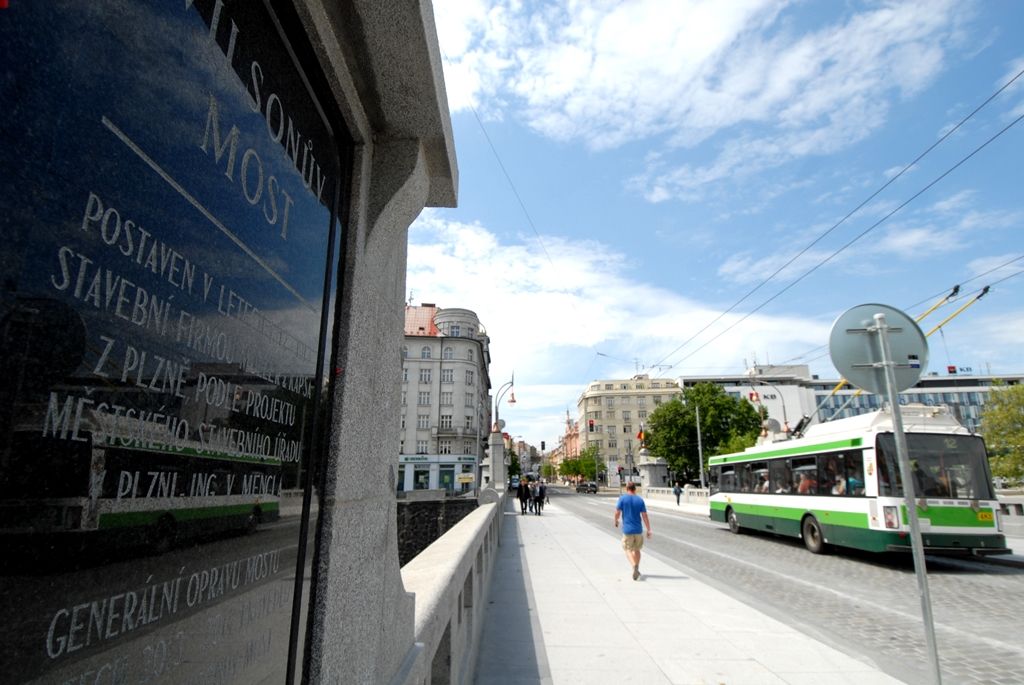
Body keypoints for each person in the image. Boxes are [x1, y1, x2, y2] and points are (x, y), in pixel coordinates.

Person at [614, 482, 652, 580]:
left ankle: (634, 566)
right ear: (635, 489)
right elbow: (644, 515)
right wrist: (648, 529)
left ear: (626, 489)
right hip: (638, 529)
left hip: (627, 530)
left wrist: (616, 521)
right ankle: (637, 568)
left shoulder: (622, 499)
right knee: (637, 549)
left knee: (628, 549)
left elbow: (617, 512)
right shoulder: (640, 500)